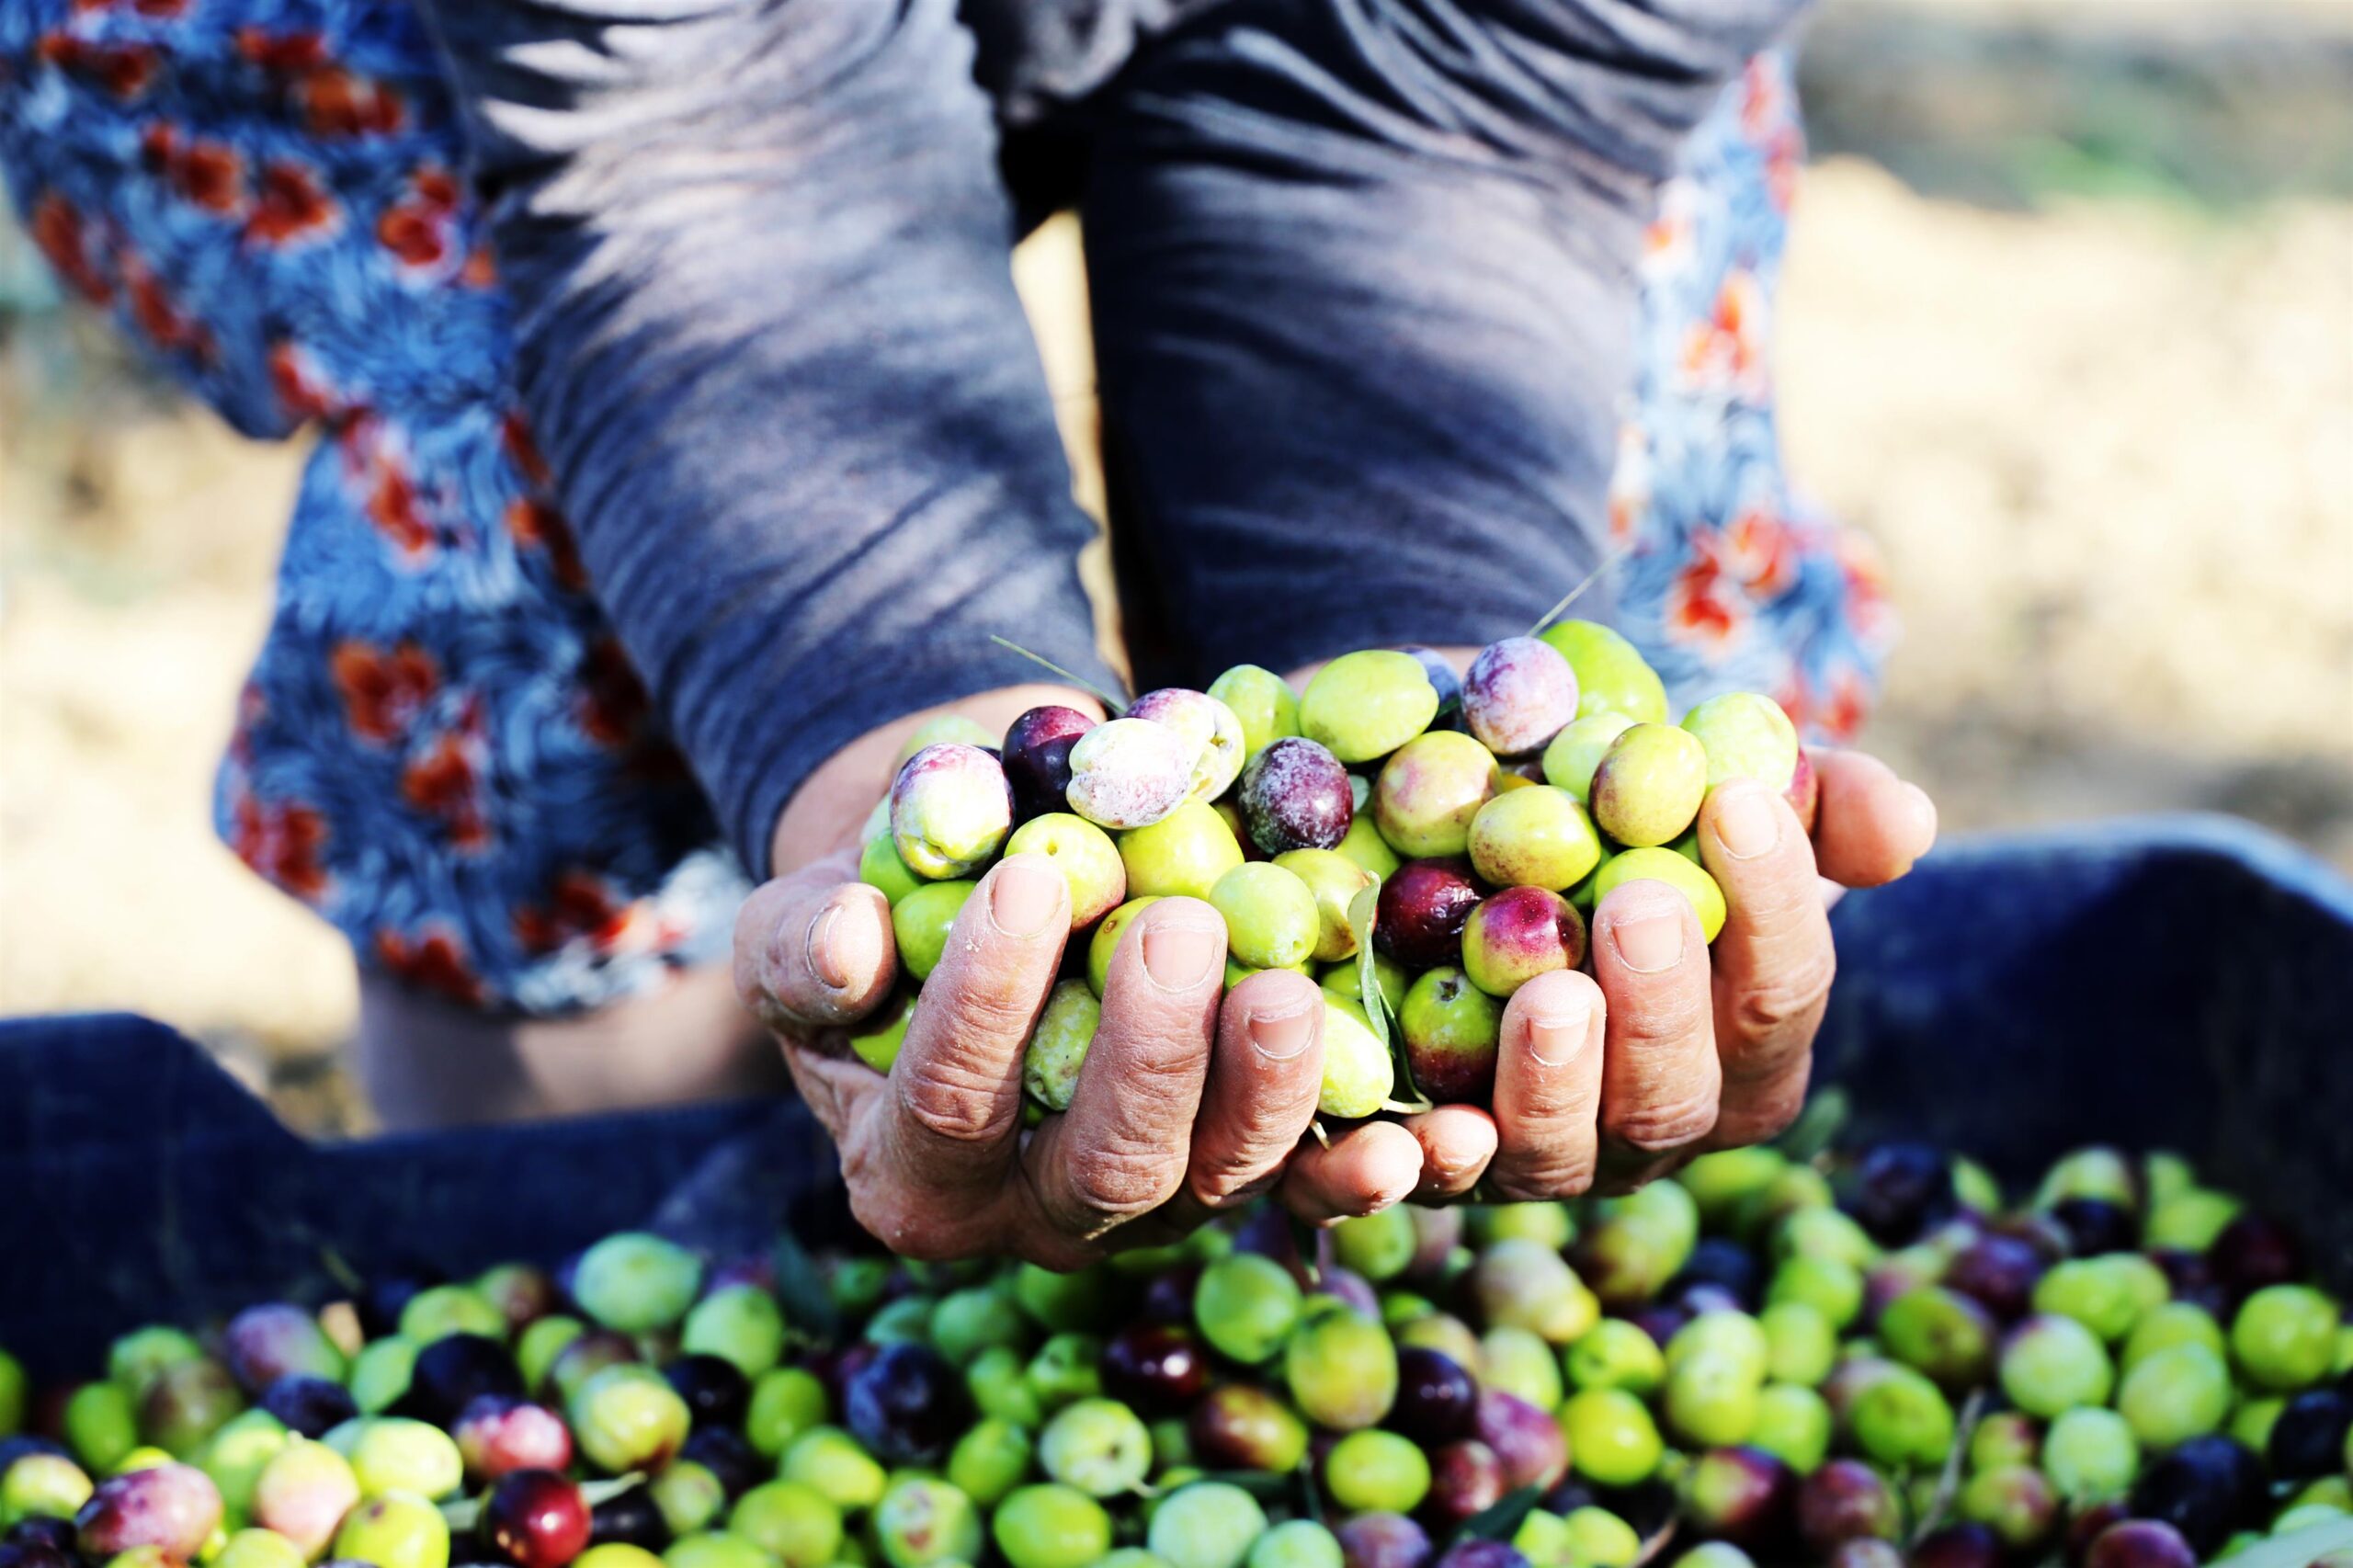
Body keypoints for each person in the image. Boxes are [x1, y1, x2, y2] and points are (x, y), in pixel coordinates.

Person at [1, 0, 1933, 1267]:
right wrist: (885, 740)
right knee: (535, 597)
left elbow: (1449, 92)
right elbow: (711, 139)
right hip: (601, 66)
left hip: (1462, 81)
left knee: (1592, 531)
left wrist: (1398, 647)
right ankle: (666, 1249)